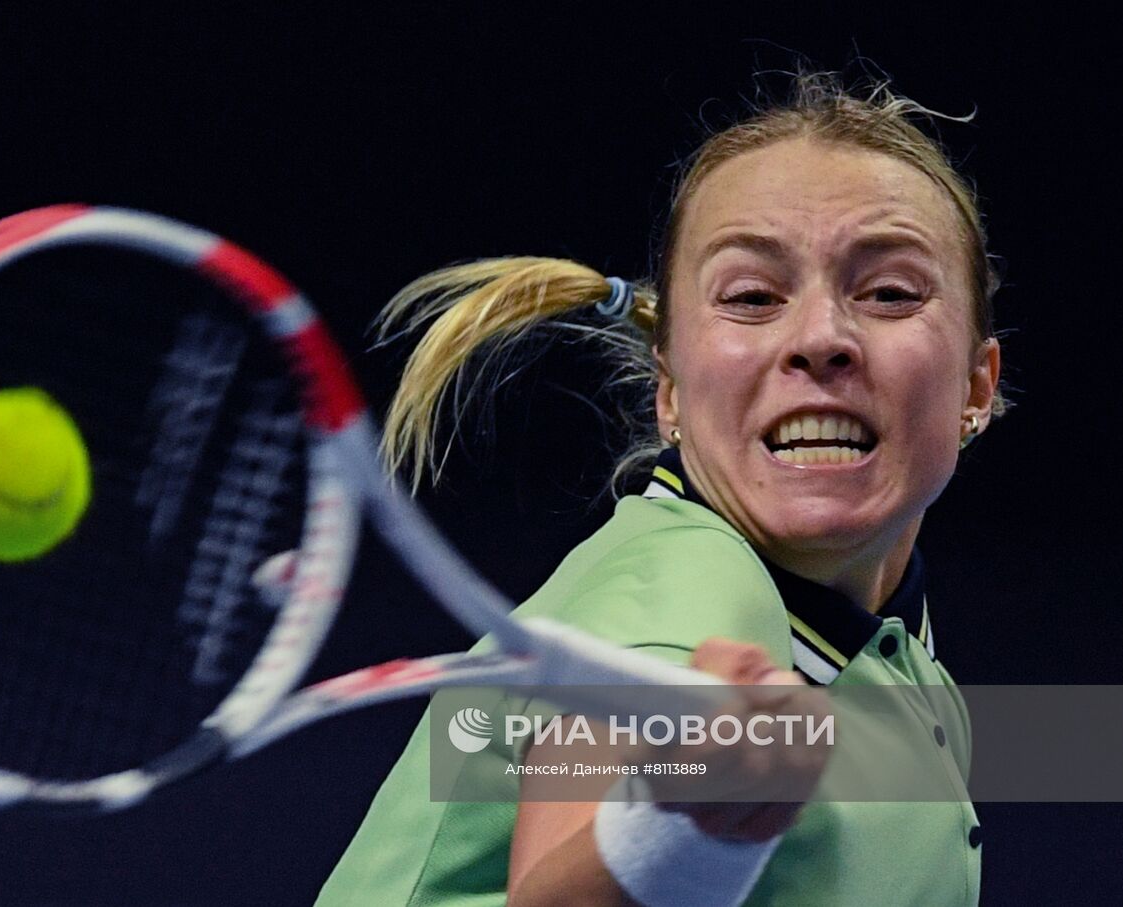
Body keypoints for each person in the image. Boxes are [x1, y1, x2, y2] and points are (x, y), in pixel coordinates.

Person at [316, 69, 1002, 906]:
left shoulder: (895, 646)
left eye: (890, 292)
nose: (822, 337)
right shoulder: (682, 592)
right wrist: (685, 830)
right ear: (668, 391)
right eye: (752, 296)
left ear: (976, 387)